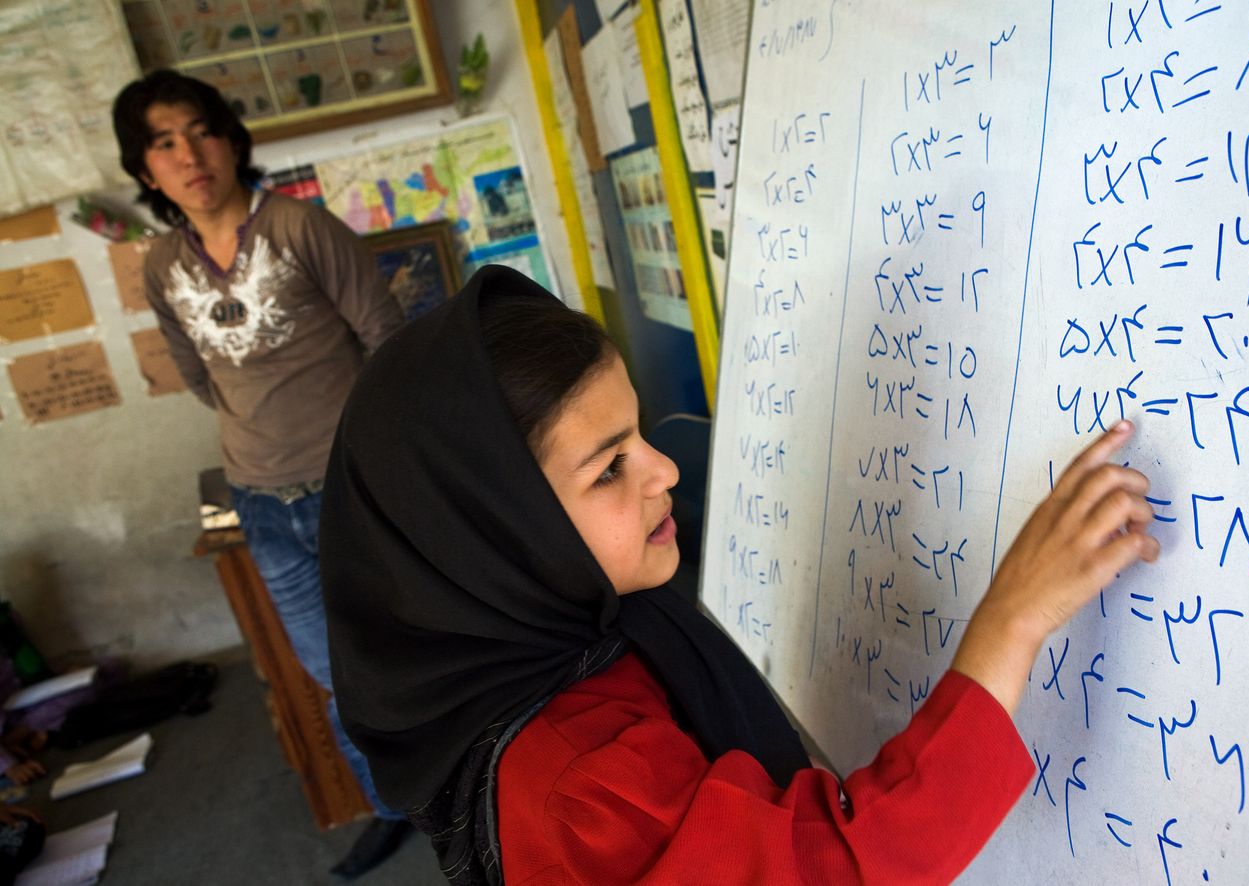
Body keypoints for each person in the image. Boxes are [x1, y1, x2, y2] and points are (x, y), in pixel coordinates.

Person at [320, 266, 1161, 884]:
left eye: (639, 433)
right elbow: (838, 872)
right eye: (610, 468)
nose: (664, 473)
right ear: (493, 535)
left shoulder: (569, 637)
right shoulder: (581, 784)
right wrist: (1011, 620)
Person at [111, 71, 411, 878]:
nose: (188, 153)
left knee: (410, 648)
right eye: (163, 142)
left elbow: (387, 339)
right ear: (145, 171)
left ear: (231, 138)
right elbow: (197, 371)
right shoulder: (162, 264)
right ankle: (394, 807)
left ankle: (470, 786)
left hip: (353, 488)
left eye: (200, 130)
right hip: (263, 504)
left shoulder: (301, 228)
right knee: (332, 677)